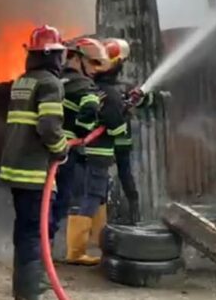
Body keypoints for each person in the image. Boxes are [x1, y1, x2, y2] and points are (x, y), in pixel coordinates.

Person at [0, 25, 69, 300]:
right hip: (35, 171)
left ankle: (24, 287)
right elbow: (49, 126)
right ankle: (31, 292)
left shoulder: (22, 81)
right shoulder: (50, 84)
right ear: (52, 56)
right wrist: (61, 149)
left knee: (25, 229)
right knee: (36, 231)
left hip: (16, 169)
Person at [64, 36, 127, 266]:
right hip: (98, 154)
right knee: (90, 197)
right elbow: (115, 127)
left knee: (97, 197)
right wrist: (124, 116)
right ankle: (76, 250)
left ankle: (101, 242)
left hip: (86, 153)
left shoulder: (95, 89)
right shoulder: (105, 92)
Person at [51, 37, 111, 264]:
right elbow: (88, 115)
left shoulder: (56, 81)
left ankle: (43, 250)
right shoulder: (84, 86)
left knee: (52, 203)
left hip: (50, 150)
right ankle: (75, 252)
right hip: (70, 153)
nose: (96, 69)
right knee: (77, 197)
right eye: (93, 63)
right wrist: (86, 131)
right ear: (76, 58)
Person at [101, 38, 155, 225]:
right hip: (103, 142)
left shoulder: (123, 87)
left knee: (124, 176)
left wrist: (139, 98)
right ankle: (112, 214)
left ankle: (133, 213)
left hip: (118, 141)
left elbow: (148, 102)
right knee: (102, 179)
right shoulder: (96, 87)